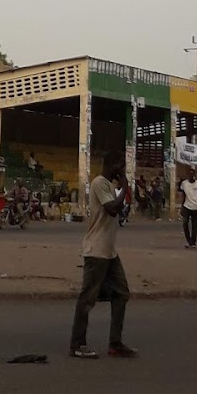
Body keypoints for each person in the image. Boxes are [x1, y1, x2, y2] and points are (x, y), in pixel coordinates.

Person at [69, 151, 137, 359]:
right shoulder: (99, 183)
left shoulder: (110, 186)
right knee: (87, 298)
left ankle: (115, 343)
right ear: (112, 164)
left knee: (122, 293)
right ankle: (77, 344)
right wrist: (124, 184)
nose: (123, 169)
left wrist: (124, 187)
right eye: (121, 165)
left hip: (109, 252)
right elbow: (113, 209)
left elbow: (126, 202)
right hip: (96, 250)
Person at [179, 166, 197, 248]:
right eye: (189, 174)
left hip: (195, 207)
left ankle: (193, 242)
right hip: (186, 206)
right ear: (188, 175)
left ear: (194, 175)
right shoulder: (184, 184)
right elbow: (183, 196)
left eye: (192, 174)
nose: (191, 176)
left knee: (195, 225)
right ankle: (188, 240)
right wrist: (181, 207)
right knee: (185, 223)